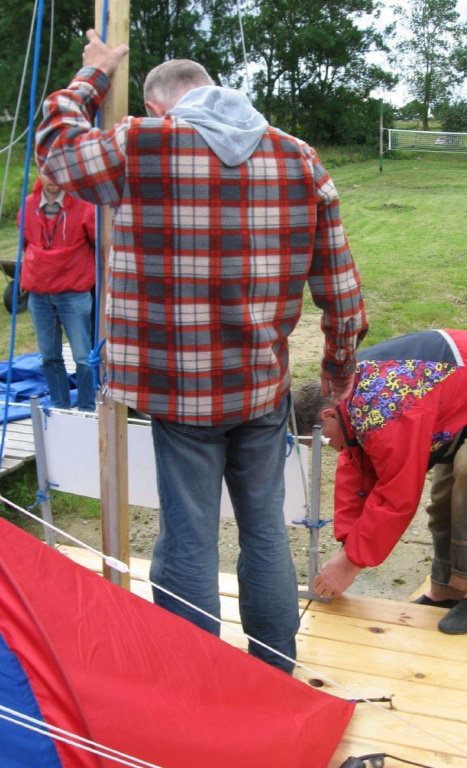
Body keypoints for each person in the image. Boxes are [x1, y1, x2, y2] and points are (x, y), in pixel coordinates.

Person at [35, 31, 367, 672]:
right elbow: (344, 297)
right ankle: (274, 672)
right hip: (261, 388)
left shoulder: (141, 143)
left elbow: (56, 150)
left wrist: (93, 75)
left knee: (186, 540)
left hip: (178, 395)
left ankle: (198, 680)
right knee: (267, 534)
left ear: (161, 108)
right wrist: (334, 375)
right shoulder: (299, 159)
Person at [292, 329, 467, 634]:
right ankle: (446, 591)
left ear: (327, 416)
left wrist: (351, 563)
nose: (327, 449)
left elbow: (397, 495)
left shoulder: (385, 408)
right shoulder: (349, 402)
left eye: (321, 442)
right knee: (446, 492)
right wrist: (348, 546)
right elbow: (358, 473)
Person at [18, 173, 97, 412]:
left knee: (83, 357)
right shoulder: (29, 205)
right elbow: (25, 242)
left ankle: (86, 409)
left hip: (73, 293)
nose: (53, 178)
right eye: (47, 172)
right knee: (48, 357)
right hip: (40, 294)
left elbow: (99, 243)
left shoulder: (84, 206)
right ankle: (60, 408)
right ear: (39, 172)